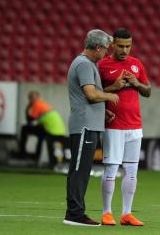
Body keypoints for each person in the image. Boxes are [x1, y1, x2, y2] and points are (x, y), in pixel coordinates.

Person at [63, 29, 119, 227]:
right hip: (84, 126)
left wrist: (102, 111)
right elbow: (91, 94)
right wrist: (109, 97)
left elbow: (89, 97)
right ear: (97, 48)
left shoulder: (88, 64)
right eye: (105, 49)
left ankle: (75, 212)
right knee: (79, 171)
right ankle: (74, 214)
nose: (106, 53)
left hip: (90, 124)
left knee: (82, 170)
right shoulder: (84, 65)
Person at [98, 28, 151, 226]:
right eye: (120, 46)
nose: (125, 50)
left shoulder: (136, 64)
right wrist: (114, 87)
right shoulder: (103, 65)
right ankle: (106, 212)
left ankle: (126, 213)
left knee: (131, 170)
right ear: (112, 45)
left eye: (128, 46)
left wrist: (136, 82)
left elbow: (148, 91)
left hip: (135, 125)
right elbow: (93, 93)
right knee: (111, 169)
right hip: (113, 126)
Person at [13, 91, 66, 168]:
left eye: (31, 98)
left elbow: (30, 120)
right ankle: (36, 156)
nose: (31, 100)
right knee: (40, 135)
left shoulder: (36, 104)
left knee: (24, 129)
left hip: (52, 131)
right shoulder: (42, 103)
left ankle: (22, 153)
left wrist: (28, 107)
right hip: (58, 130)